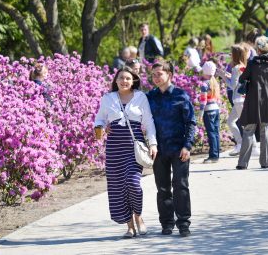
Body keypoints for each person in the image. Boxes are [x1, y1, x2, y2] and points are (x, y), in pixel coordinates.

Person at [94, 67, 158, 238]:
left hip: (133, 147)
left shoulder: (140, 97)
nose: (124, 81)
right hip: (114, 149)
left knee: (133, 184)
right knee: (119, 188)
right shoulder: (108, 98)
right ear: (116, 80)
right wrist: (101, 127)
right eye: (121, 78)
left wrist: (153, 144)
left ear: (133, 81)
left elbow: (149, 122)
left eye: (128, 78)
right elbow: (99, 118)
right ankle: (129, 226)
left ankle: (139, 217)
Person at [146, 62, 196, 237]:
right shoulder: (149, 97)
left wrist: (187, 146)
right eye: (153, 74)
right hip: (158, 150)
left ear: (170, 75)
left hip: (179, 148)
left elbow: (191, 123)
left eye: (160, 74)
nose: (156, 77)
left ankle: (183, 223)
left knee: (181, 186)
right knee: (163, 188)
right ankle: (166, 223)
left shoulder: (181, 95)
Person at [236, 36, 268, 169]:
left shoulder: (252, 63)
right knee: (265, 129)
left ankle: (242, 163)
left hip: (253, 98)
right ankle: (266, 162)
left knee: (248, 130)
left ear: (258, 49)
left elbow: (242, 78)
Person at [224, 45, 247, 156]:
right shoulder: (242, 66)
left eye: (231, 53)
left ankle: (245, 146)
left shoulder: (236, 67)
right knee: (231, 122)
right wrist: (229, 75)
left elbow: (233, 86)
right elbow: (238, 82)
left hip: (238, 99)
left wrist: (223, 76)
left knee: (245, 125)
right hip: (241, 98)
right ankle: (240, 144)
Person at [198, 61, 221, 163]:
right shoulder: (215, 83)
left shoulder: (204, 84)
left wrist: (201, 112)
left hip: (208, 110)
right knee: (215, 133)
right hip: (216, 109)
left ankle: (213, 156)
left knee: (211, 133)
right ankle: (216, 154)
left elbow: (203, 100)